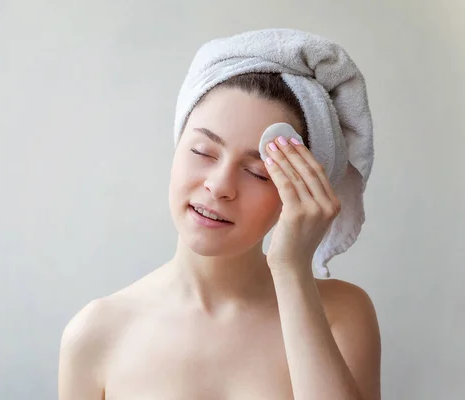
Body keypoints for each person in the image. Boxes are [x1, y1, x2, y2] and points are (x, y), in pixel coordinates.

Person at [59, 38, 381, 400]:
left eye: (258, 173)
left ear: (301, 191)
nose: (219, 186)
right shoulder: (96, 332)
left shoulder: (341, 314)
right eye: (202, 151)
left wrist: (291, 269)